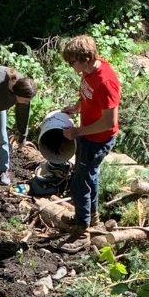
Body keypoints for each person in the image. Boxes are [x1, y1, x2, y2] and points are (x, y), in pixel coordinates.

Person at [56, 35, 120, 232]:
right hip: (87, 135)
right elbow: (86, 93)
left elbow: (110, 121)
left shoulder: (106, 82)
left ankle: (82, 229)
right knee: (89, 176)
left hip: (98, 140)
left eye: (71, 62)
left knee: (79, 183)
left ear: (85, 59)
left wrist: (78, 132)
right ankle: (90, 216)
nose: (70, 66)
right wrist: (76, 108)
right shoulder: (88, 71)